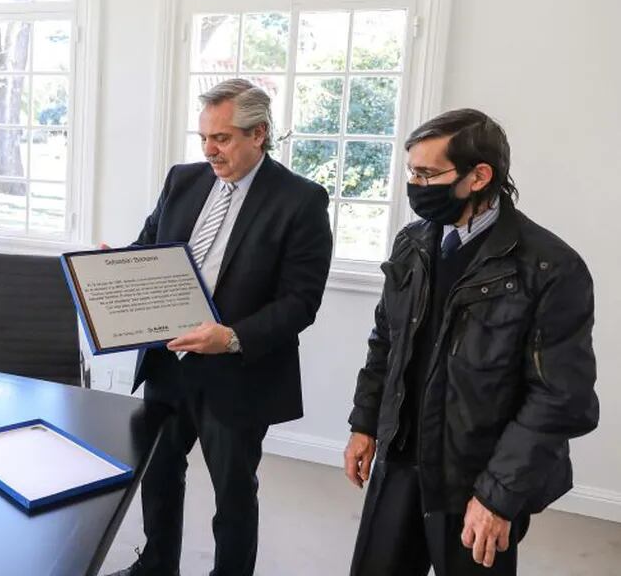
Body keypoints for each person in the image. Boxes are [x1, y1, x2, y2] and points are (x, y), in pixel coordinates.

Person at [343, 109, 599, 575]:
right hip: (401, 456)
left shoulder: (549, 267)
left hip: (478, 476)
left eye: (426, 173)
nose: (414, 185)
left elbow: (560, 398)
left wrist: (497, 496)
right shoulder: (412, 244)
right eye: (410, 172)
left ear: (479, 176)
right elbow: (386, 341)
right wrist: (364, 423)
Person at [106, 78, 333, 576]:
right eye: (204, 137)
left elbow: (301, 302)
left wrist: (229, 337)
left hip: (237, 372)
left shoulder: (301, 200)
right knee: (159, 474)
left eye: (223, 138)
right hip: (168, 361)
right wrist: (114, 267)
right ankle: (157, 566)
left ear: (260, 134)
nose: (210, 149)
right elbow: (149, 250)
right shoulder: (182, 180)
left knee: (233, 490)